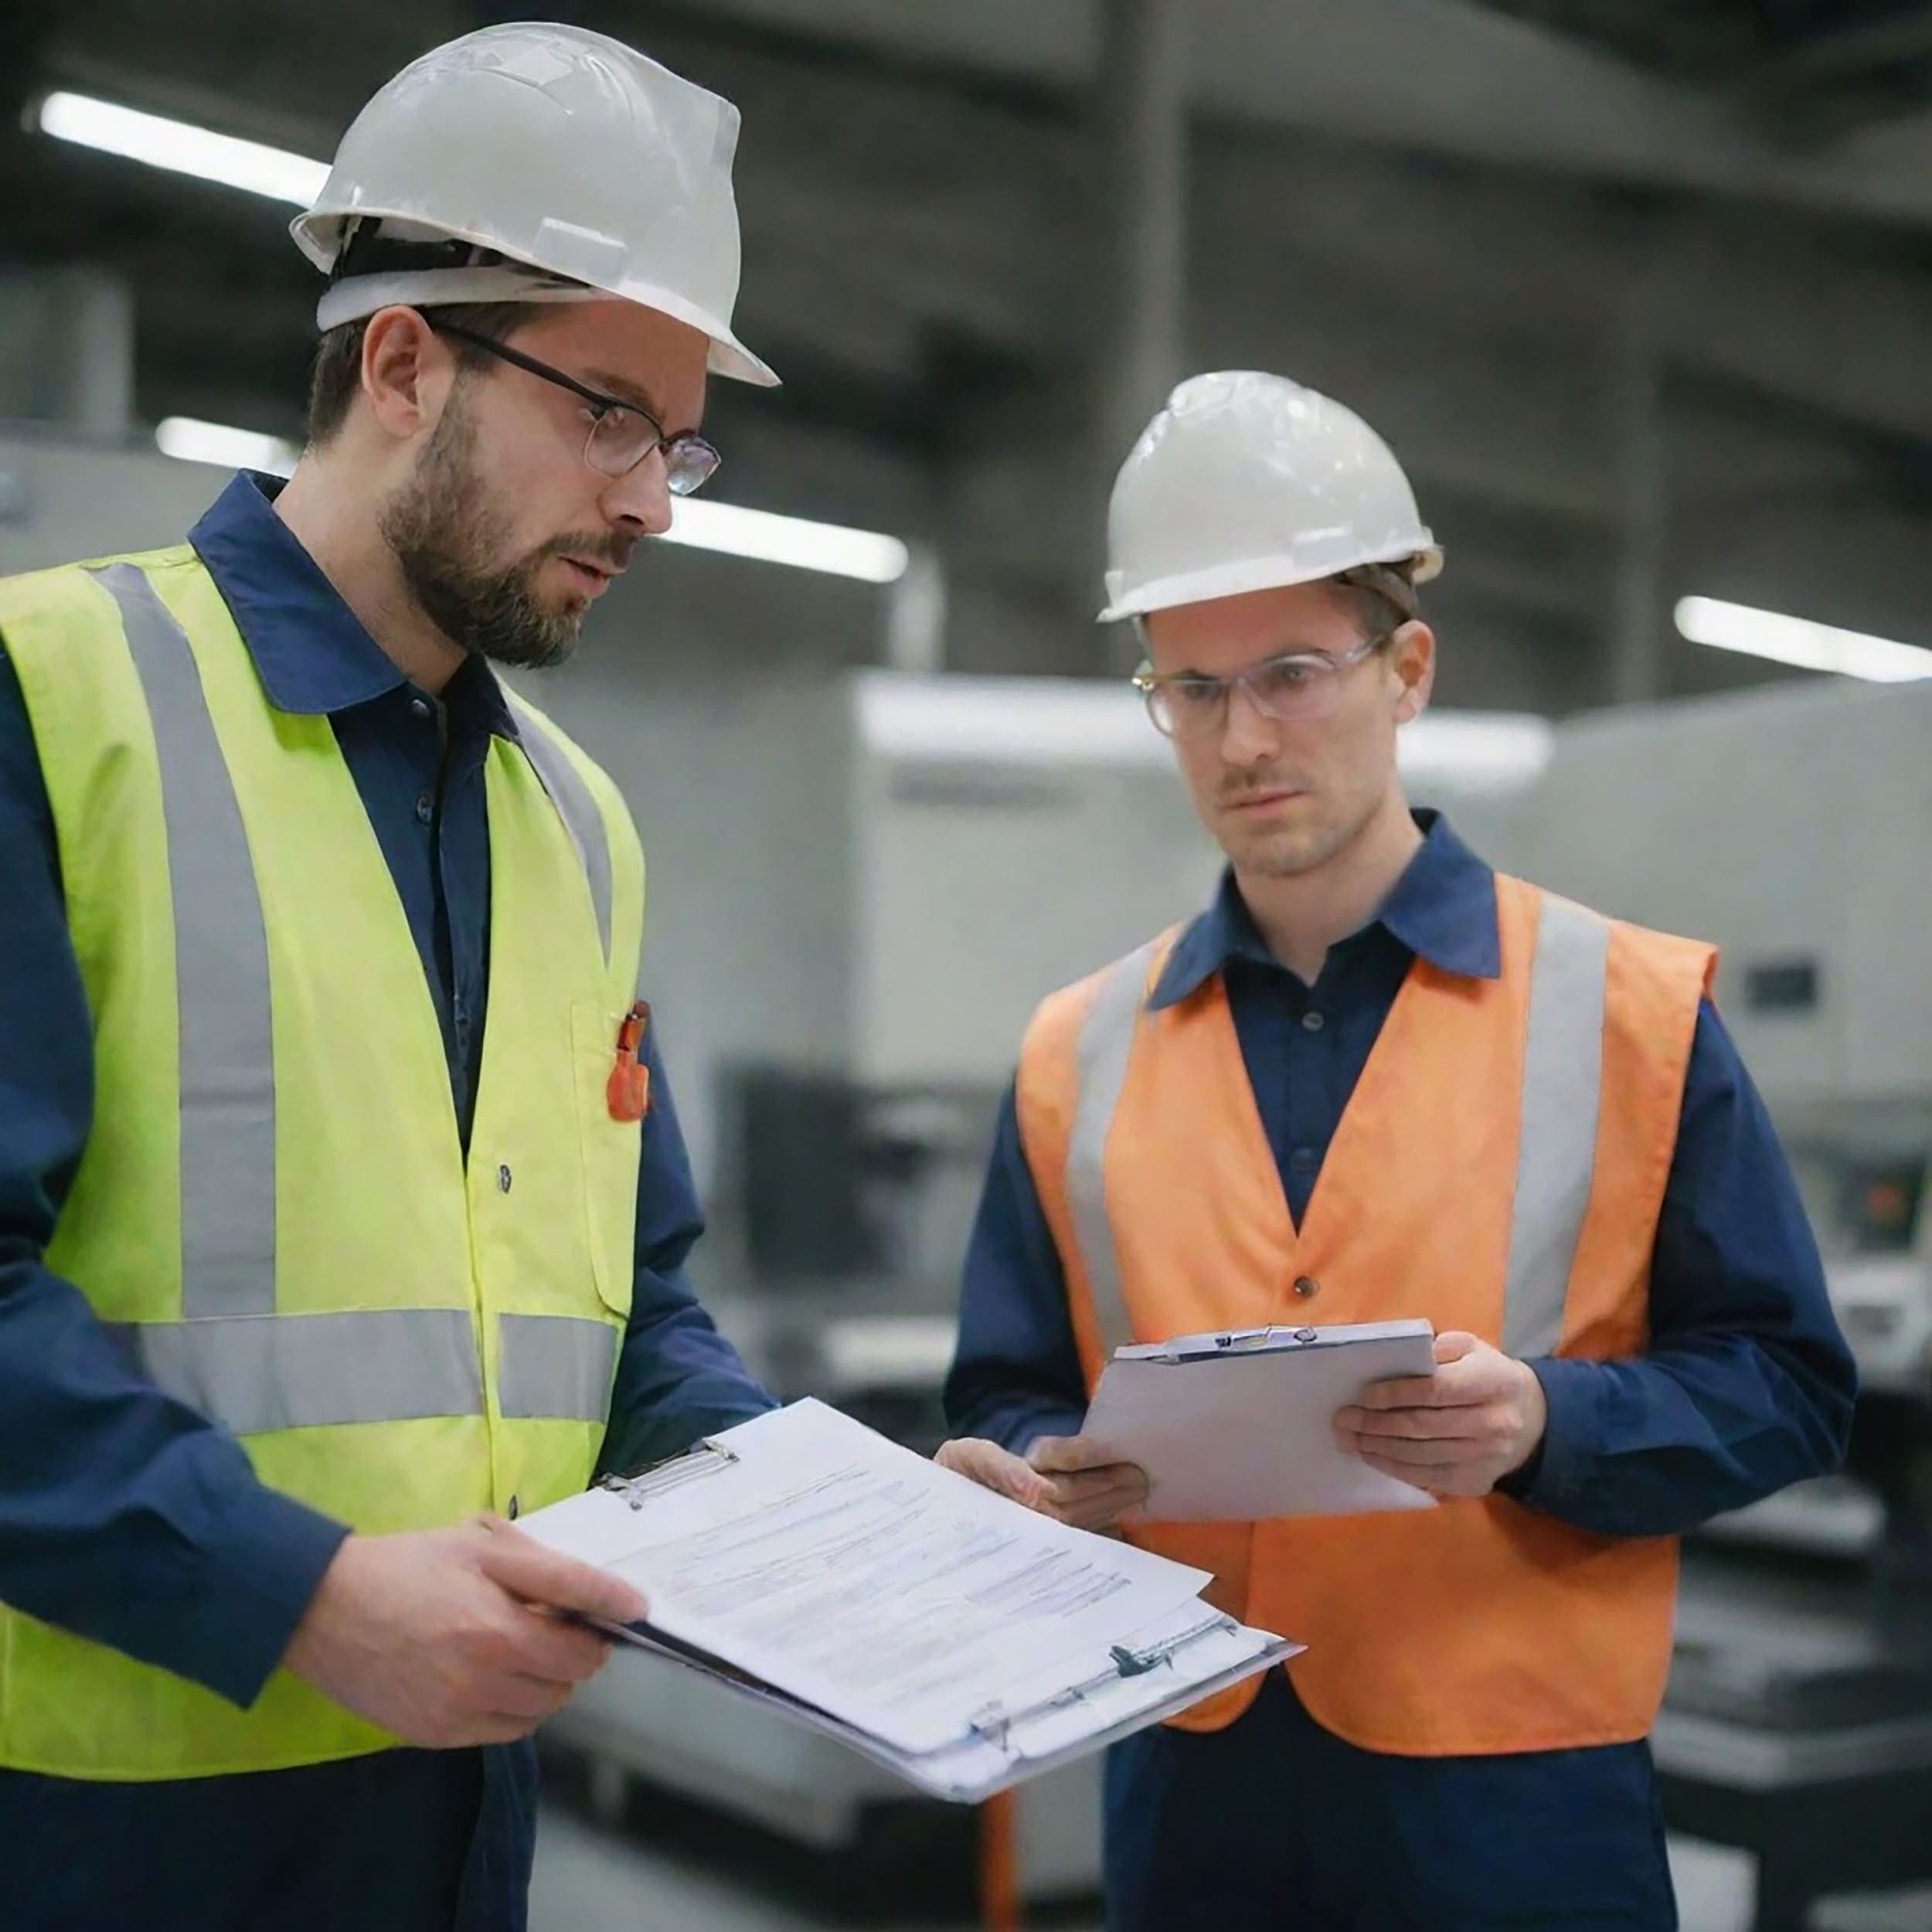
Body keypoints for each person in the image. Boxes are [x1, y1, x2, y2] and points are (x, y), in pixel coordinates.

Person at [0, 25, 784, 1930]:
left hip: (451, 1827)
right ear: (404, 358)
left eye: (676, 435)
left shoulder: (574, 821)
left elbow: (632, 1313)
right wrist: (303, 1596)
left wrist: (841, 1514)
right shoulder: (50, 695)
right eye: (607, 410)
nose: (655, 499)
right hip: (108, 1831)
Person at [937, 370, 1859, 1930]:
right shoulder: (1069, 1052)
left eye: (1289, 671)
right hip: (1188, 1794)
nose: (1241, 735)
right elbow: (1008, 1384)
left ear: (1405, 666)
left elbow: (1784, 1380)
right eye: (1190, 687)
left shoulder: (1626, 1011)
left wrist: (1543, 1422)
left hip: (1511, 1802)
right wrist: (1031, 1472)